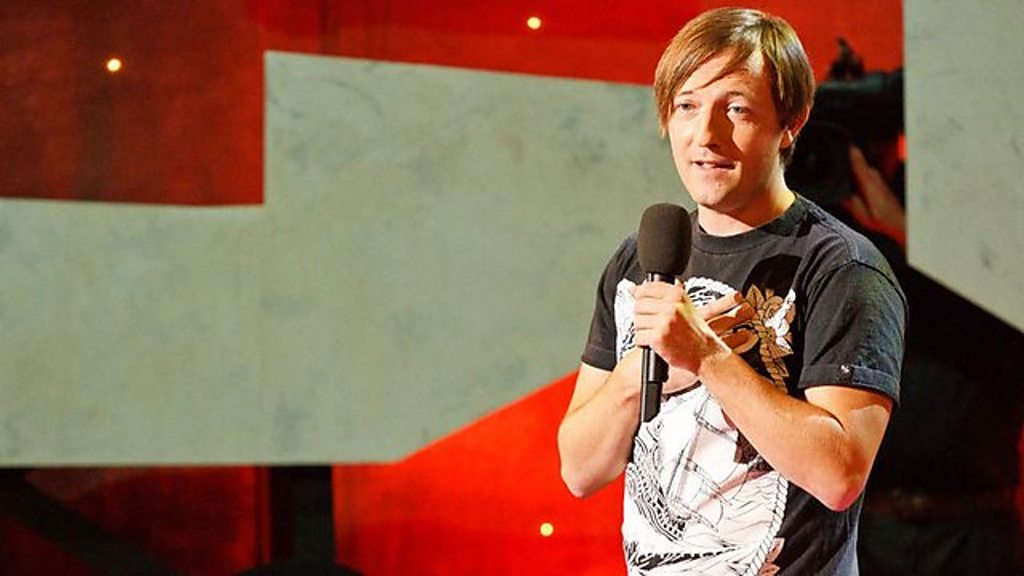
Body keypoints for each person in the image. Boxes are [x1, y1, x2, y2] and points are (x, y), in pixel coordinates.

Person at [557, 8, 907, 575]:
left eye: (736, 109)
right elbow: (579, 470)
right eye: (687, 106)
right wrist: (643, 370)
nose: (705, 135)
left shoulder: (842, 268)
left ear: (791, 122)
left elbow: (839, 476)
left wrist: (706, 357)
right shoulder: (640, 258)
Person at [837, 144, 1024, 574]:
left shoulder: (997, 226)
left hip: (974, 525)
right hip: (868, 523)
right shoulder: (843, 234)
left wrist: (911, 235)